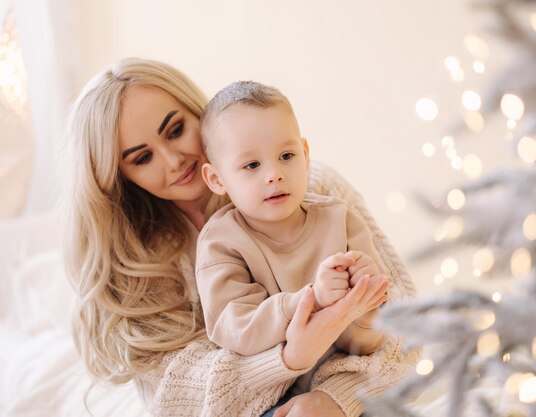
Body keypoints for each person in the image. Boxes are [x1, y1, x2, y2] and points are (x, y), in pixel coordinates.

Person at [62, 57, 417, 417]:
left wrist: (336, 399)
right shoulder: (136, 269)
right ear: (119, 176)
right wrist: (290, 357)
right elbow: (177, 401)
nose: (173, 160)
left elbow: (409, 328)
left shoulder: (315, 192)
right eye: (142, 158)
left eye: (175, 130)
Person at [196, 80, 388, 369]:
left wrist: (366, 308)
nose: (274, 174)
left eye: (286, 156)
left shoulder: (340, 219)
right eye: (251, 165)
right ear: (216, 179)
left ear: (306, 154)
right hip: (271, 392)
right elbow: (237, 331)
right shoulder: (220, 243)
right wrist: (312, 299)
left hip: (341, 376)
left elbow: (364, 347)